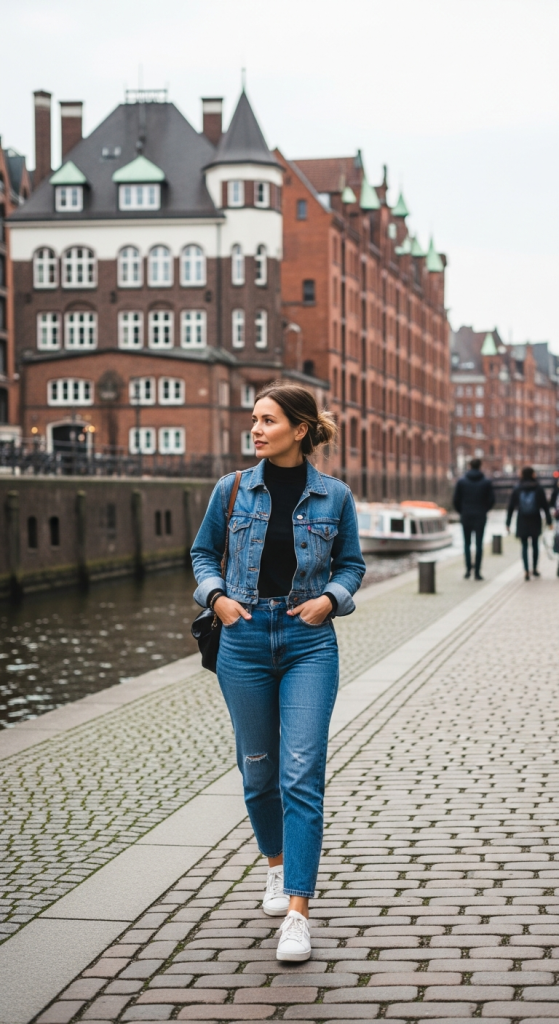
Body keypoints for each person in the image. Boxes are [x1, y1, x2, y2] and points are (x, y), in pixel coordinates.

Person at [190, 381, 365, 962]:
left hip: (308, 642)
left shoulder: (335, 497)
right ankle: (275, 864)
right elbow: (201, 554)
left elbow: (351, 565)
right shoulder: (232, 489)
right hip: (242, 640)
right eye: (254, 420)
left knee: (301, 774)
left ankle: (297, 911)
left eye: (267, 420)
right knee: (259, 771)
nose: (256, 430)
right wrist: (217, 598)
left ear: (299, 428)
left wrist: (330, 600)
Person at [452, 457, 495, 580]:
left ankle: (467, 570)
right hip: (480, 516)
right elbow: (492, 500)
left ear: (469, 466)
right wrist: (484, 510)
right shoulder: (486, 482)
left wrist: (462, 511)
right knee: (479, 544)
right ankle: (477, 572)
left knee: (467, 544)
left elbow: (455, 500)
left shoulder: (461, 482)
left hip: (466, 516)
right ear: (480, 466)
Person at [506, 466, 552, 580]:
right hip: (535, 518)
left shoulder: (517, 488)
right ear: (532, 474)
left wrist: (508, 523)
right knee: (535, 545)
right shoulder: (538, 488)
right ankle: (535, 568)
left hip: (522, 519)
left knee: (524, 546)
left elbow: (511, 507)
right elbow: (545, 506)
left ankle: (526, 570)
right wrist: (549, 521)